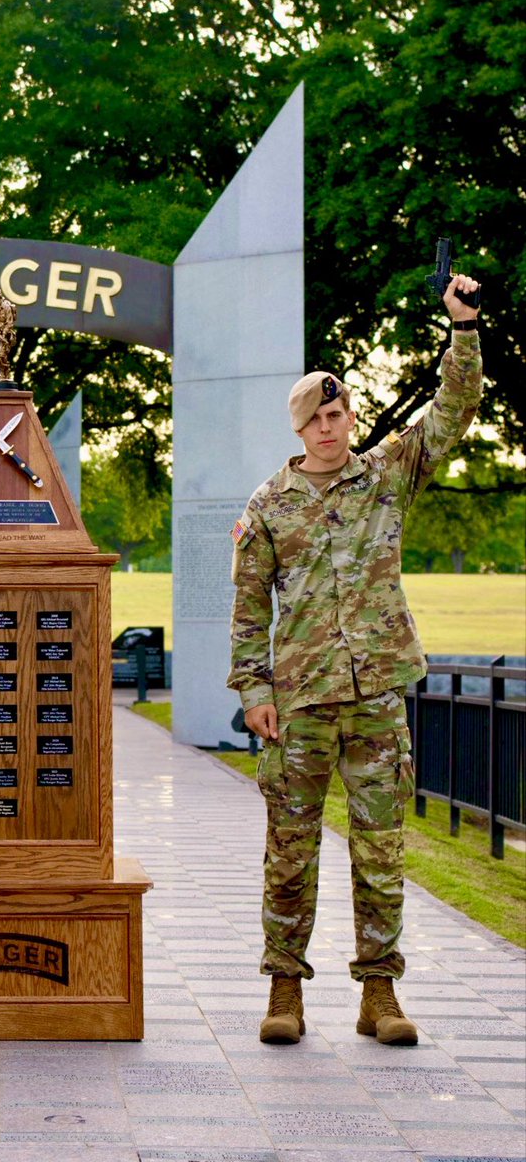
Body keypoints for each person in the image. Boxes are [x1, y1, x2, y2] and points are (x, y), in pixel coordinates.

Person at [228, 273, 482, 1046]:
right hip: (298, 703)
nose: (328, 427)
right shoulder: (268, 506)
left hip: (376, 696)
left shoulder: (384, 476)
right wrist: (253, 690)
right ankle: (284, 991)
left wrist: (462, 330)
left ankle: (379, 996)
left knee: (380, 848)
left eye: (336, 414)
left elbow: (451, 413)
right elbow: (249, 608)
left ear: (348, 417)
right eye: (316, 418)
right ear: (299, 428)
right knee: (289, 851)